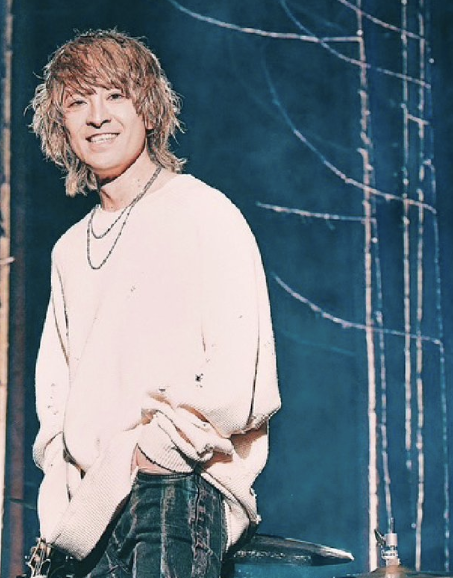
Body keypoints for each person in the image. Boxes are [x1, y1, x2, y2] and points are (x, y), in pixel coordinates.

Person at [30, 29, 281, 578]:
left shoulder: (204, 212)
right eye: (78, 102)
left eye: (114, 95)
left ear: (147, 108)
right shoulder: (68, 250)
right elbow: (55, 395)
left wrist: (160, 452)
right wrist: (61, 495)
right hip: (88, 513)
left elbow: (242, 371)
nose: (97, 116)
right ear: (61, 125)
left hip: (173, 487)